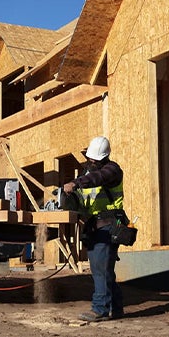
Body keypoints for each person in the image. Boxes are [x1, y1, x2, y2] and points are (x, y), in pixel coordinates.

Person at [62, 136, 124, 322]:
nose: (91, 162)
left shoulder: (112, 170)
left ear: (105, 157)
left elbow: (98, 178)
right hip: (95, 227)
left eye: (95, 160)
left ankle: (99, 309)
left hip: (108, 225)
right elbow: (82, 198)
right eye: (90, 159)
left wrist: (76, 183)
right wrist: (68, 197)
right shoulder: (87, 174)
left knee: (100, 269)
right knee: (105, 270)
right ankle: (116, 308)